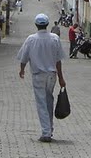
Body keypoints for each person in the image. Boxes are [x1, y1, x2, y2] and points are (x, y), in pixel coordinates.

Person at [17, 13, 67, 142]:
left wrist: (22, 69)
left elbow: (24, 58)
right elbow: (58, 61)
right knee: (49, 101)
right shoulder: (54, 38)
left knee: (41, 103)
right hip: (52, 75)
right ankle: (49, 128)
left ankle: (46, 132)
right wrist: (61, 78)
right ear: (47, 24)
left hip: (38, 75)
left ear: (36, 25)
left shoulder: (31, 39)